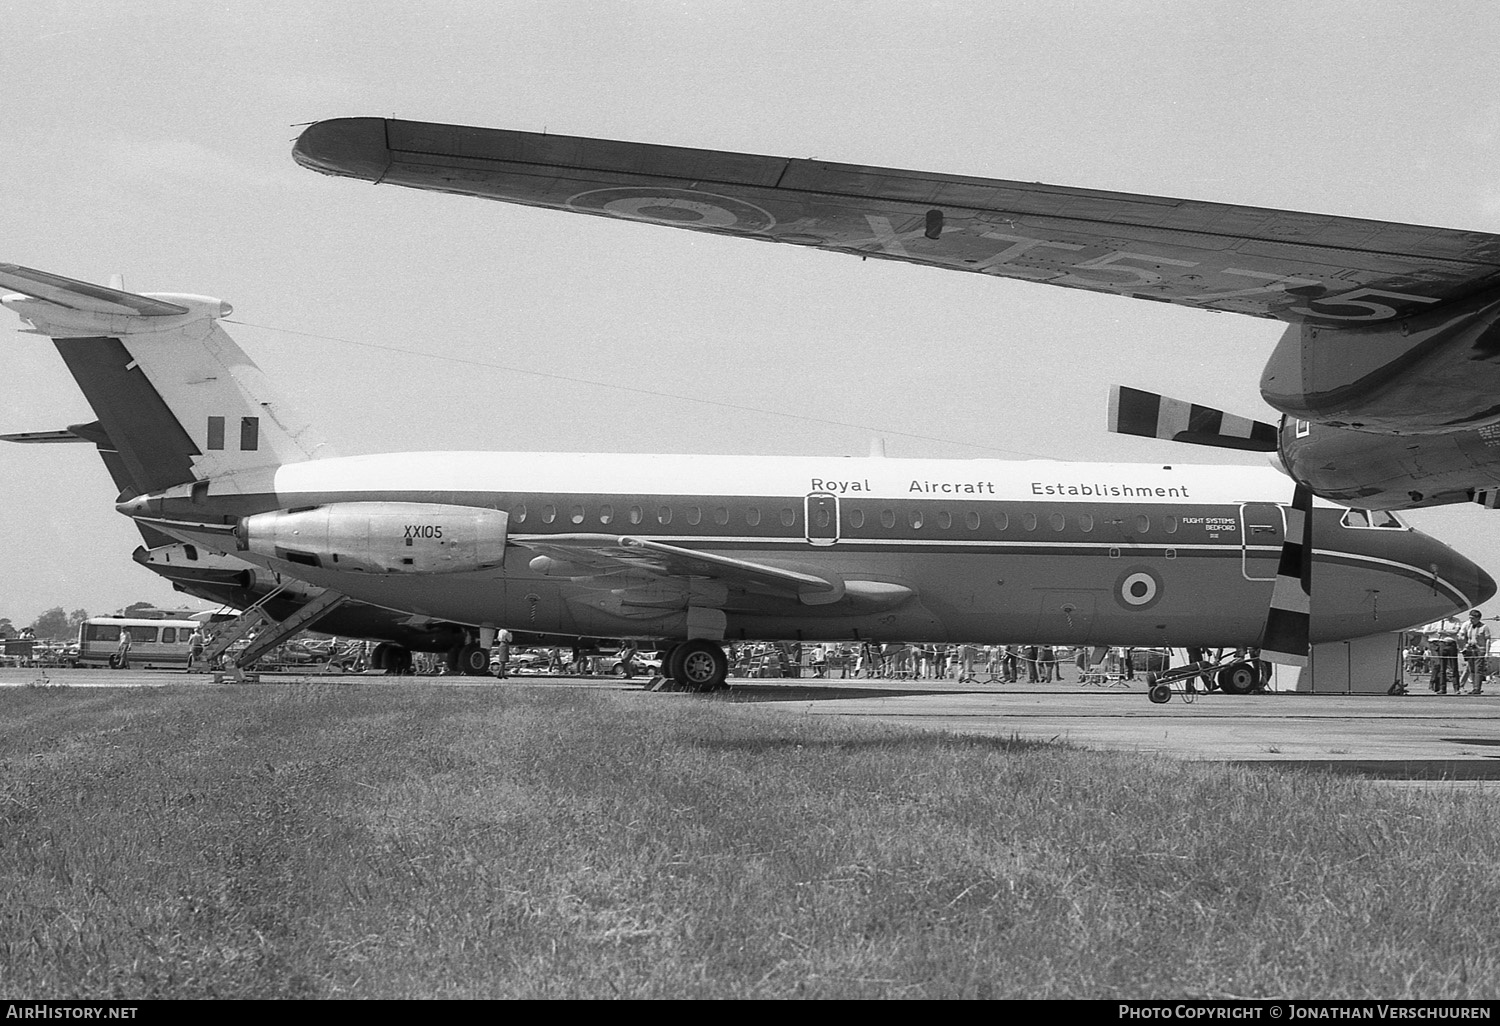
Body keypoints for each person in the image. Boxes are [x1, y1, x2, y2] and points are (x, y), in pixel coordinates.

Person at [1458, 610, 1491, 696]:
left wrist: (1487, 652)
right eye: (1470, 618)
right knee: (1472, 669)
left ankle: (1477, 688)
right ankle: (1474, 687)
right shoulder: (1469, 626)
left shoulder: (1484, 627)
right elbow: (1464, 636)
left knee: (1478, 669)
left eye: (1472, 618)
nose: (1471, 620)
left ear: (1478, 618)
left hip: (1479, 650)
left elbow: (1487, 640)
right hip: (1470, 650)